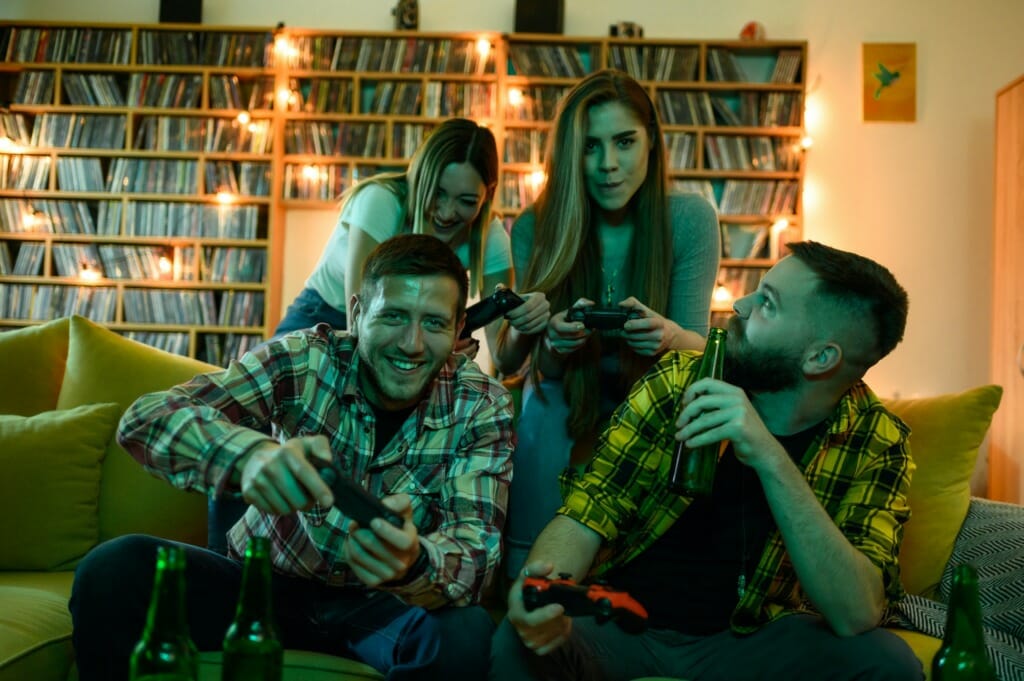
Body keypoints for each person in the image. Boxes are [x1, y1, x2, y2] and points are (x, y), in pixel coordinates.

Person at [69, 234, 515, 681]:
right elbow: (145, 420)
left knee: (465, 633)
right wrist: (251, 455)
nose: (412, 344)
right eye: (394, 316)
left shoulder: (479, 403)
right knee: (112, 570)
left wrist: (414, 561)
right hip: (261, 587)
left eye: (434, 324)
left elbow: (476, 553)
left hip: (383, 605)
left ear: (458, 331)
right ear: (358, 314)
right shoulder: (304, 358)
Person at [491, 241, 922, 681]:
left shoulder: (878, 441)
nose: (740, 303)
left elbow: (856, 612)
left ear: (820, 358)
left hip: (756, 642)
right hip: (629, 625)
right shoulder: (679, 378)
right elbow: (590, 509)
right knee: (518, 640)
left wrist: (769, 455)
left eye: (768, 304)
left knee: (888, 664)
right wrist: (543, 595)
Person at [497, 69, 721, 577]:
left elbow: (699, 351)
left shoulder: (689, 219)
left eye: (624, 142)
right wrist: (554, 341)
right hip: (565, 398)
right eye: (590, 147)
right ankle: (528, 579)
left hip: (655, 402)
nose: (608, 165)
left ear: (652, 141)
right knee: (540, 410)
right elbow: (541, 372)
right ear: (570, 155)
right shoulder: (536, 225)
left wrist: (667, 336)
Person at [274, 116, 547, 363]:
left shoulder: (491, 237)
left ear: (488, 194)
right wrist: (437, 348)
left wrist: (523, 327)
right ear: (419, 177)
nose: (447, 212)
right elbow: (360, 329)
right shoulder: (381, 201)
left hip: (397, 328)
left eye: (466, 201)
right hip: (324, 317)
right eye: (438, 193)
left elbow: (504, 360)